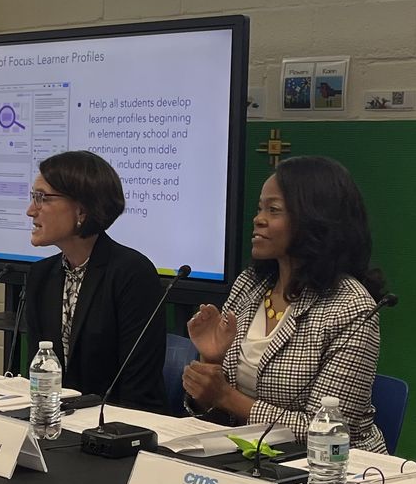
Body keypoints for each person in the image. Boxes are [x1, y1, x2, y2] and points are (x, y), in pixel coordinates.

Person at [182, 156, 389, 451]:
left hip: (327, 474)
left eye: (273, 210)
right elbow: (214, 410)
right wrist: (211, 361)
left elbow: (328, 431)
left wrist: (226, 396)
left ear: (315, 218)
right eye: (259, 208)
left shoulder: (350, 307)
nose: (258, 219)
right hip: (247, 456)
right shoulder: (249, 285)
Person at [20, 150, 167, 410]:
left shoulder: (132, 274)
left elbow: (137, 390)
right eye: (33, 197)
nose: (31, 210)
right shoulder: (40, 276)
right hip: (58, 422)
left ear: (82, 210)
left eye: (43, 198)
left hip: (116, 429)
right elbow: (39, 376)